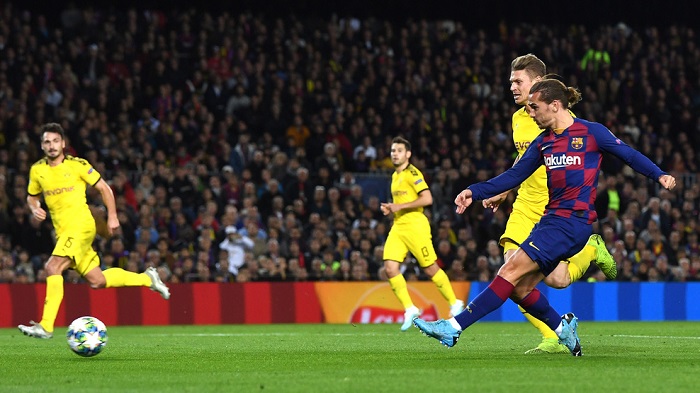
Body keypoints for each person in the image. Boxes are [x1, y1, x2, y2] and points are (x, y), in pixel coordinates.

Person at [413, 79, 676, 356]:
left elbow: (629, 155)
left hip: (573, 223)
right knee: (519, 288)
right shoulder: (544, 142)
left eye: (535, 107)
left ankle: (453, 327)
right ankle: (563, 330)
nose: (531, 113)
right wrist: (473, 192)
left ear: (555, 105)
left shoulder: (590, 133)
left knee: (509, 271)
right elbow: (514, 176)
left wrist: (659, 175)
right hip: (550, 222)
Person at [482, 54, 617, 354]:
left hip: (556, 209)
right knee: (511, 271)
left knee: (559, 280)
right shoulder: (520, 118)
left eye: (518, 82)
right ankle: (553, 336)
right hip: (525, 205)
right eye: (511, 82)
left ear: (538, 83)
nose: (513, 88)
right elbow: (523, 159)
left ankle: (592, 249)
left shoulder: (555, 116)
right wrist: (504, 191)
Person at [18, 123, 170, 339]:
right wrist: (34, 207)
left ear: (63, 143)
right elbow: (31, 196)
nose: (51, 146)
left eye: (55, 141)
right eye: (46, 142)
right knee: (97, 281)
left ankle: (45, 326)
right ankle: (148, 279)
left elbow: (104, 188)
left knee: (52, 267)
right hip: (64, 233)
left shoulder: (78, 165)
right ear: (42, 146)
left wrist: (113, 215)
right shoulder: (37, 170)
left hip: (81, 225)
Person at [380, 137, 464, 331]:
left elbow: (427, 198)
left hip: (415, 225)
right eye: (393, 150)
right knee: (390, 268)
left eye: (399, 150)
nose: (395, 153)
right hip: (399, 225)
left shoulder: (412, 173)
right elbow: (401, 203)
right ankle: (410, 308)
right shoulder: (395, 175)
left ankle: (454, 302)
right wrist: (392, 209)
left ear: (408, 154)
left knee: (429, 268)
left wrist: (398, 206)